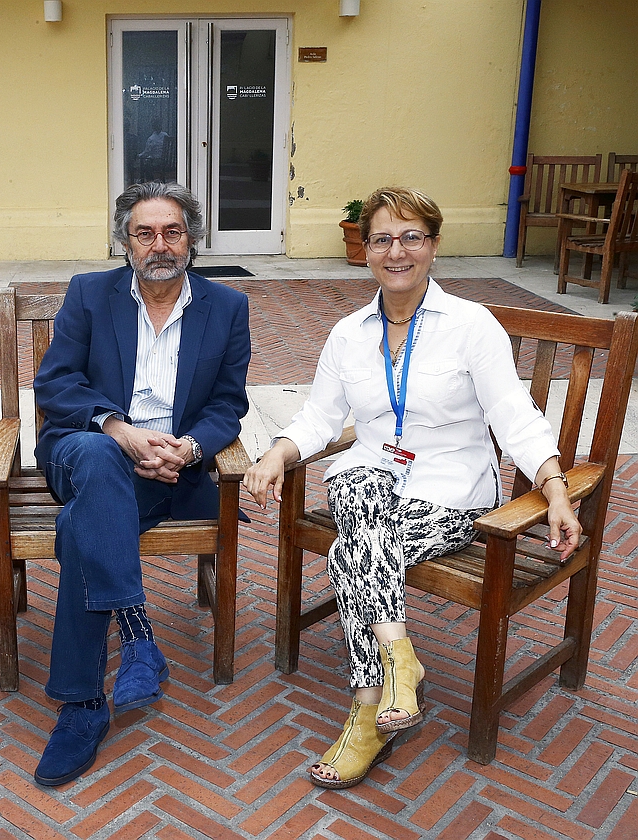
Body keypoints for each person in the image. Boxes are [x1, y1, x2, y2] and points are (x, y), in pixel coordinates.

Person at [244, 186, 582, 790]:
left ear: (432, 246)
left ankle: (369, 709)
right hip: (368, 479)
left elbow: (515, 416)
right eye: (382, 239)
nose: (396, 251)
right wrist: (278, 451)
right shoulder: (348, 333)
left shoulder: (471, 325)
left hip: (448, 496)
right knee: (359, 488)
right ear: (366, 251)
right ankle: (397, 663)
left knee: (354, 550)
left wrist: (555, 488)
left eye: (411, 238)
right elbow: (320, 419)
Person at [31, 182, 251, 786]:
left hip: (168, 471)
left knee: (82, 525)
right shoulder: (90, 294)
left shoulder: (227, 306)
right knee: (100, 460)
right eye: (144, 233)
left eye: (172, 232)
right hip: (85, 445)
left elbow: (228, 404)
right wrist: (118, 429)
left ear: (192, 240)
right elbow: (55, 385)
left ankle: (81, 706)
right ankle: (136, 634)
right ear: (124, 242)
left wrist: (190, 448)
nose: (160, 245)